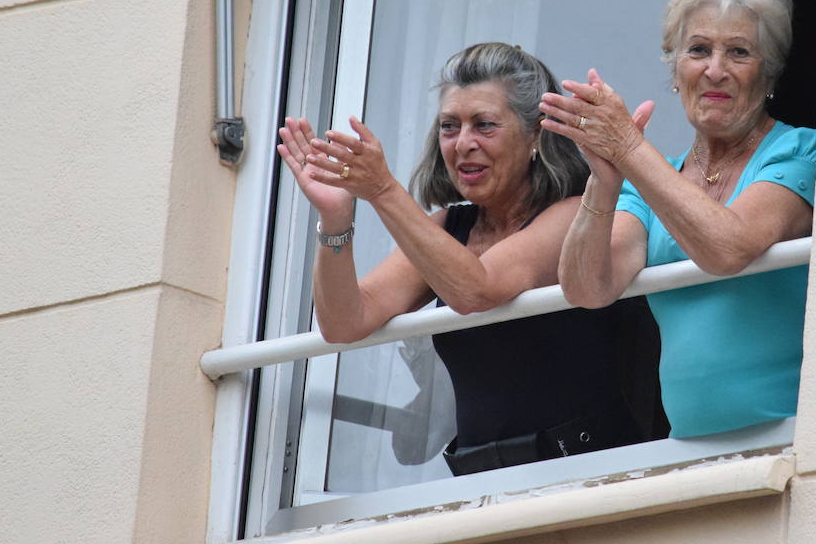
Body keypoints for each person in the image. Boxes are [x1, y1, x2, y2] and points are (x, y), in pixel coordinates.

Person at [278, 42, 662, 475]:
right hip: (480, 484)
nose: (463, 144)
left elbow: (478, 289)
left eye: (484, 125)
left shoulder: (574, 214)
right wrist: (335, 221)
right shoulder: (446, 229)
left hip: (588, 478)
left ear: (536, 134)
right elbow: (344, 322)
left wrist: (383, 191)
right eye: (449, 127)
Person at [540, 0, 816, 438]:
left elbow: (728, 248)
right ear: (675, 69)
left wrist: (629, 148)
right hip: (686, 449)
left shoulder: (799, 151)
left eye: (738, 52)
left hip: (790, 440)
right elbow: (588, 288)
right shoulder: (655, 179)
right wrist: (605, 180)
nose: (715, 70)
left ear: (769, 73)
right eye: (698, 50)